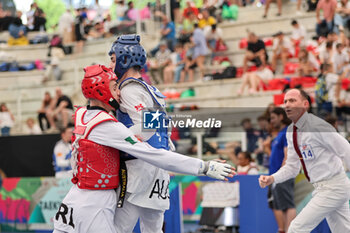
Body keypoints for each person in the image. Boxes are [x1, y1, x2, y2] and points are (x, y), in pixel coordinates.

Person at [53, 64, 234, 233]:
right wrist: (203, 167)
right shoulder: (106, 125)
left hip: (74, 198)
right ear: (101, 89)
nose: (119, 92)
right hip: (96, 202)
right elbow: (151, 152)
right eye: (115, 87)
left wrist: (155, 112)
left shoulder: (82, 114)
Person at [259, 88, 350, 233]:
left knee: (296, 228)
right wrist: (272, 178)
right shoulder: (291, 131)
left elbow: (346, 150)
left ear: (305, 104)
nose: (287, 105)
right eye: (285, 101)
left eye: (292, 101)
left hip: (334, 187)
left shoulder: (318, 127)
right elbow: (292, 168)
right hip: (323, 187)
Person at [268, 107, 296, 233]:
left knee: (288, 205)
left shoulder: (286, 132)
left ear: (281, 117)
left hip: (282, 175)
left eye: (273, 118)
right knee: (281, 206)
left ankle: (290, 230)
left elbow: (287, 156)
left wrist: (280, 175)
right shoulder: (280, 133)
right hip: (276, 175)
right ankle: (285, 230)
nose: (271, 121)